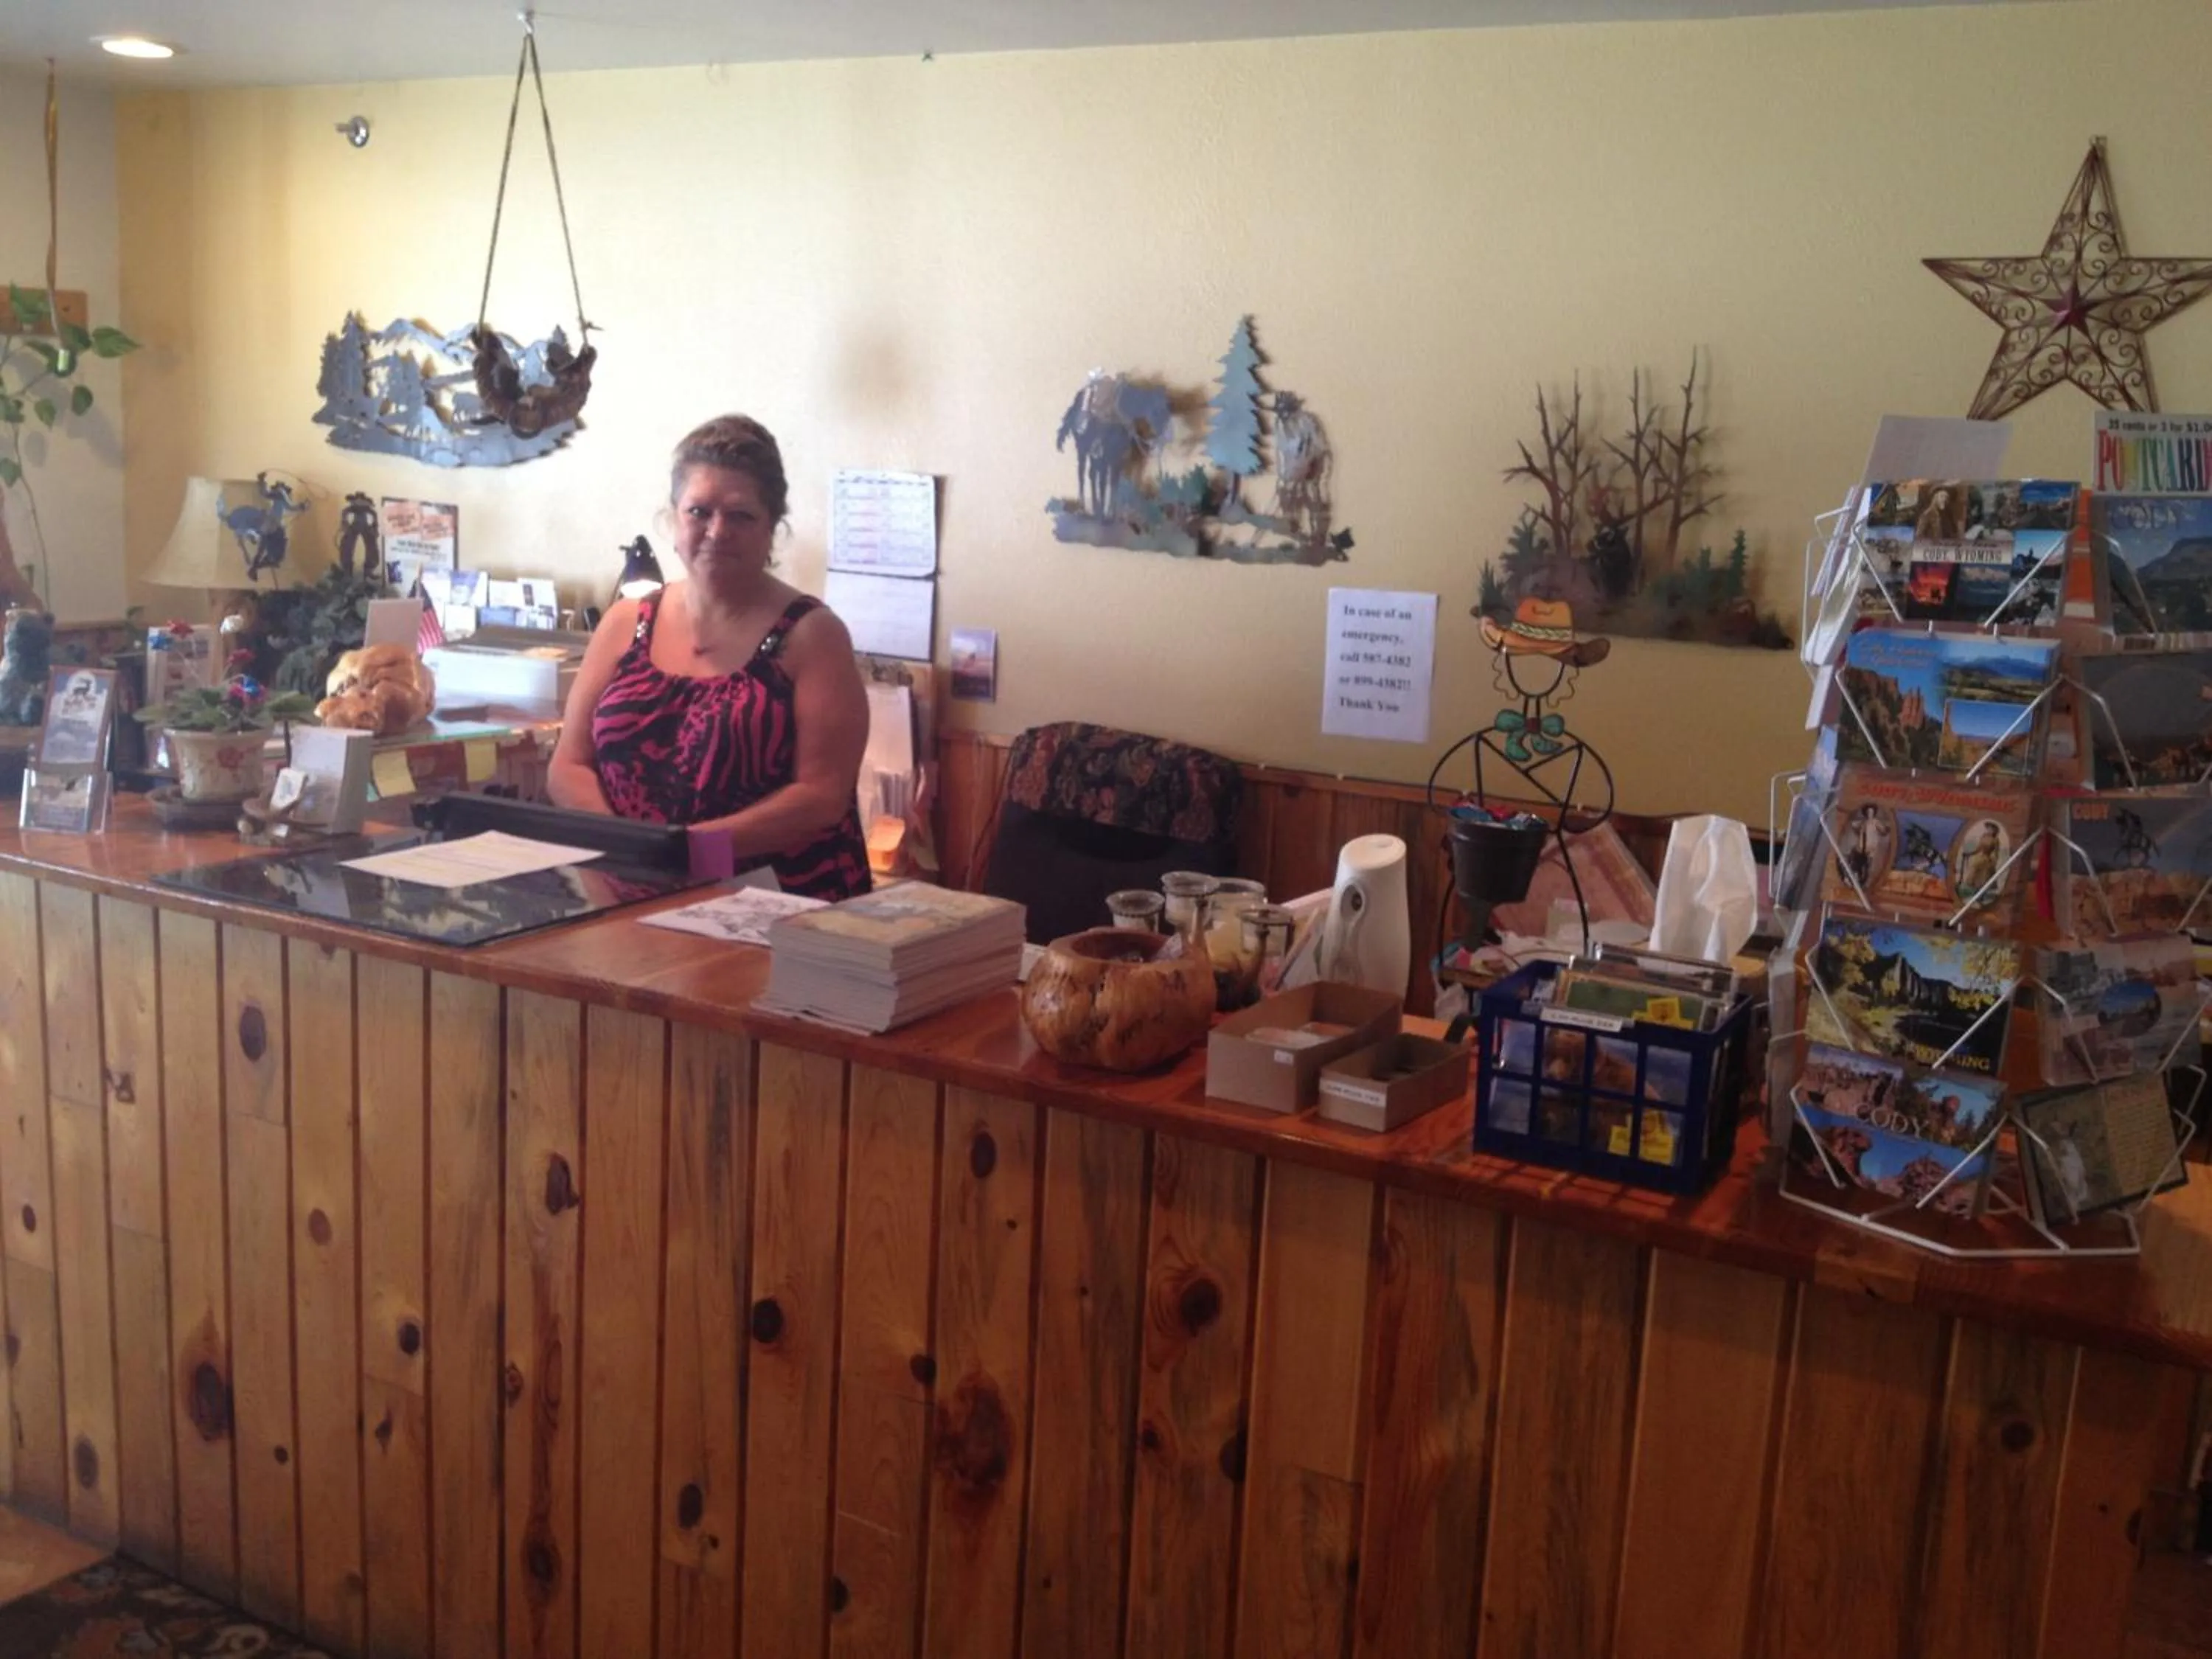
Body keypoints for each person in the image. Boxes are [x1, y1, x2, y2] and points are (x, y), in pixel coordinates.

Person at [549, 414, 872, 900]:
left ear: (772, 531)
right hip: (627, 898)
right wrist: (624, 849)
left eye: (741, 516)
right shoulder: (625, 622)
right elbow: (568, 766)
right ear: (672, 519)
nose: (717, 531)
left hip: (779, 911)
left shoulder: (813, 636)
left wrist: (691, 855)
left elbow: (822, 797)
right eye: (699, 512)